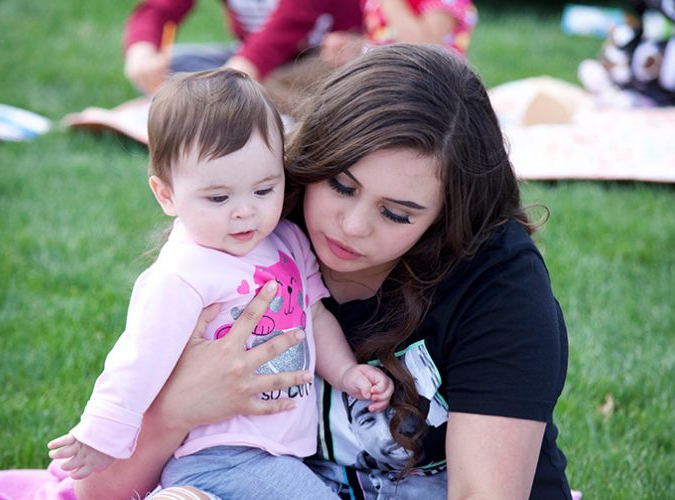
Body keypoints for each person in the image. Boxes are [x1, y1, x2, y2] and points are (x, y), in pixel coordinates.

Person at [76, 43, 572, 500]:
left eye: (396, 214)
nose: (352, 227)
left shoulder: (496, 282)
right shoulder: (252, 232)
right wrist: (176, 412)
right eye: (340, 184)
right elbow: (99, 495)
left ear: (447, 216)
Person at [47, 68, 394, 497]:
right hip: (218, 451)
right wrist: (100, 435)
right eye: (218, 197)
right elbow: (137, 359)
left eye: (264, 190)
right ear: (166, 195)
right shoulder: (184, 273)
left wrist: (345, 372)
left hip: (273, 451)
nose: (245, 211)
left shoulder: (286, 240)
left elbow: (314, 314)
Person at [123, 0, 363, 114]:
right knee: (176, 64)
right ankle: (246, 101)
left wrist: (233, 75)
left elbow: (290, 23)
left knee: (337, 76)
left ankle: (234, 101)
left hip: (314, 58)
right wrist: (142, 51)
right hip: (252, 60)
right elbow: (160, 8)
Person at [320, 0, 477, 68]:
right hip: (385, 77)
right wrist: (354, 46)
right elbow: (384, 40)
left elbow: (425, 48)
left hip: (435, 87)